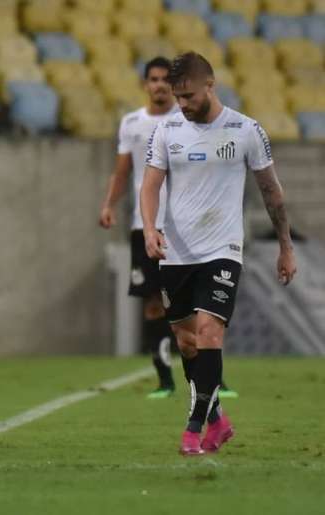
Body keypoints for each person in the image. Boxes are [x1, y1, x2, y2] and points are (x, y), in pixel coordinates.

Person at [141, 52, 297, 455]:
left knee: (210, 332)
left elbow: (271, 192)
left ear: (210, 86)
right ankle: (218, 419)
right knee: (188, 342)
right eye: (178, 97)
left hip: (222, 249)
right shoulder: (167, 130)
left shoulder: (246, 130)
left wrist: (285, 246)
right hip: (176, 252)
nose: (183, 104)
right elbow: (150, 186)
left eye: (189, 95)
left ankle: (193, 429)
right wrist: (150, 227)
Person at [99, 57, 179, 399]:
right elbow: (121, 172)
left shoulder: (187, 120)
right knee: (152, 303)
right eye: (154, 79)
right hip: (143, 227)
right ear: (145, 83)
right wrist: (108, 204)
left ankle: (211, 378)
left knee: (191, 305)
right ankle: (164, 380)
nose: (159, 85)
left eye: (165, 80)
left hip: (182, 227)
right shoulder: (131, 123)